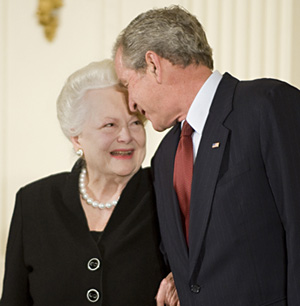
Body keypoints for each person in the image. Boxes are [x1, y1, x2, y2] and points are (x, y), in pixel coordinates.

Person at [113, 5, 300, 306]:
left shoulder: (266, 106)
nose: (132, 103)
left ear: (153, 65)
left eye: (127, 84)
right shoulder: (164, 158)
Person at [0, 59, 179, 306]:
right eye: (110, 125)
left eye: (135, 122)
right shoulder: (33, 203)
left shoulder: (167, 194)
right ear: (76, 138)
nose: (126, 136)